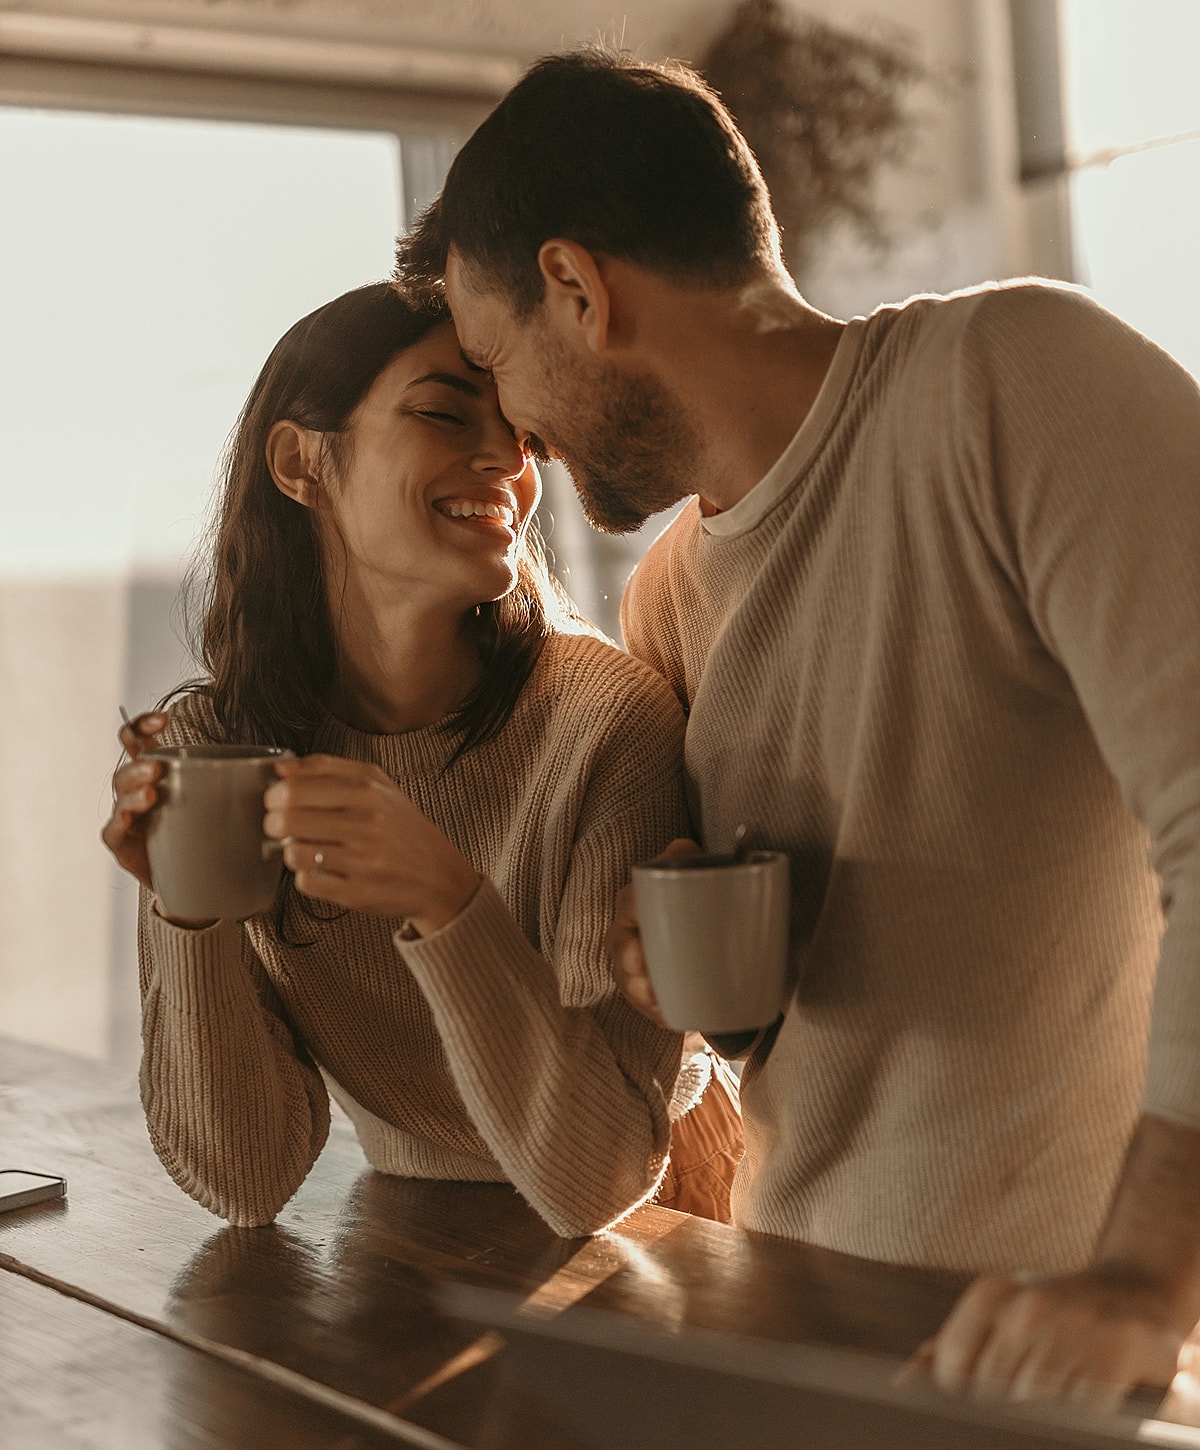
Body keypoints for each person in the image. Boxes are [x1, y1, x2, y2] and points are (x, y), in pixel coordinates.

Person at [393, 47, 1200, 1407]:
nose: (514, 438)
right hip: (789, 1335)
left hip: (1047, 1362)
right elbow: (800, 1019)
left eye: (493, 361)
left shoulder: (1018, 382)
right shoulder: (665, 601)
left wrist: (1146, 1277)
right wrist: (694, 989)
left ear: (579, 289)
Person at [101, 281, 741, 1238]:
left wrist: (446, 900)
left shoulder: (607, 724)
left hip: (668, 1216)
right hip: (412, 1226)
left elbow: (599, 1176)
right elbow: (243, 1181)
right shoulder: (218, 751)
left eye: (521, 435)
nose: (508, 462)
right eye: (444, 413)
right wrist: (187, 916)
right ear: (299, 461)